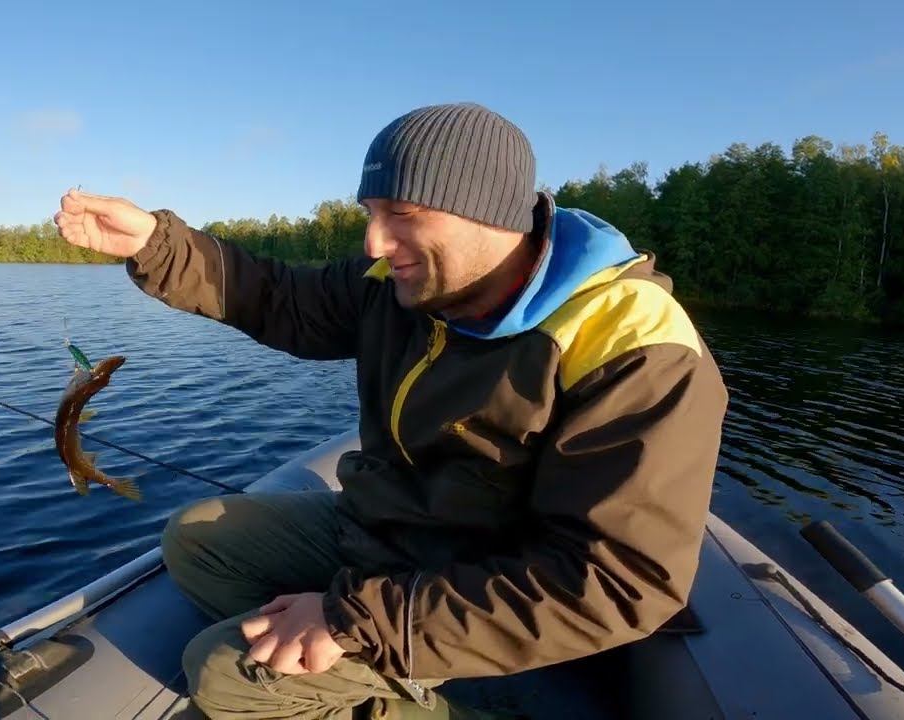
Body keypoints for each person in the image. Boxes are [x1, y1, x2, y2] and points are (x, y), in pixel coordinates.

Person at [53, 103, 729, 719]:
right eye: (371, 212)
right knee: (195, 540)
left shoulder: (633, 343)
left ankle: (428, 701)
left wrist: (353, 622)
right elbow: (279, 298)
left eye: (402, 214)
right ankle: (365, 676)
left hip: (490, 582)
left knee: (221, 674)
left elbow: (615, 582)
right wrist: (154, 243)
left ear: (489, 213)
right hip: (395, 536)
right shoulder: (401, 284)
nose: (375, 242)